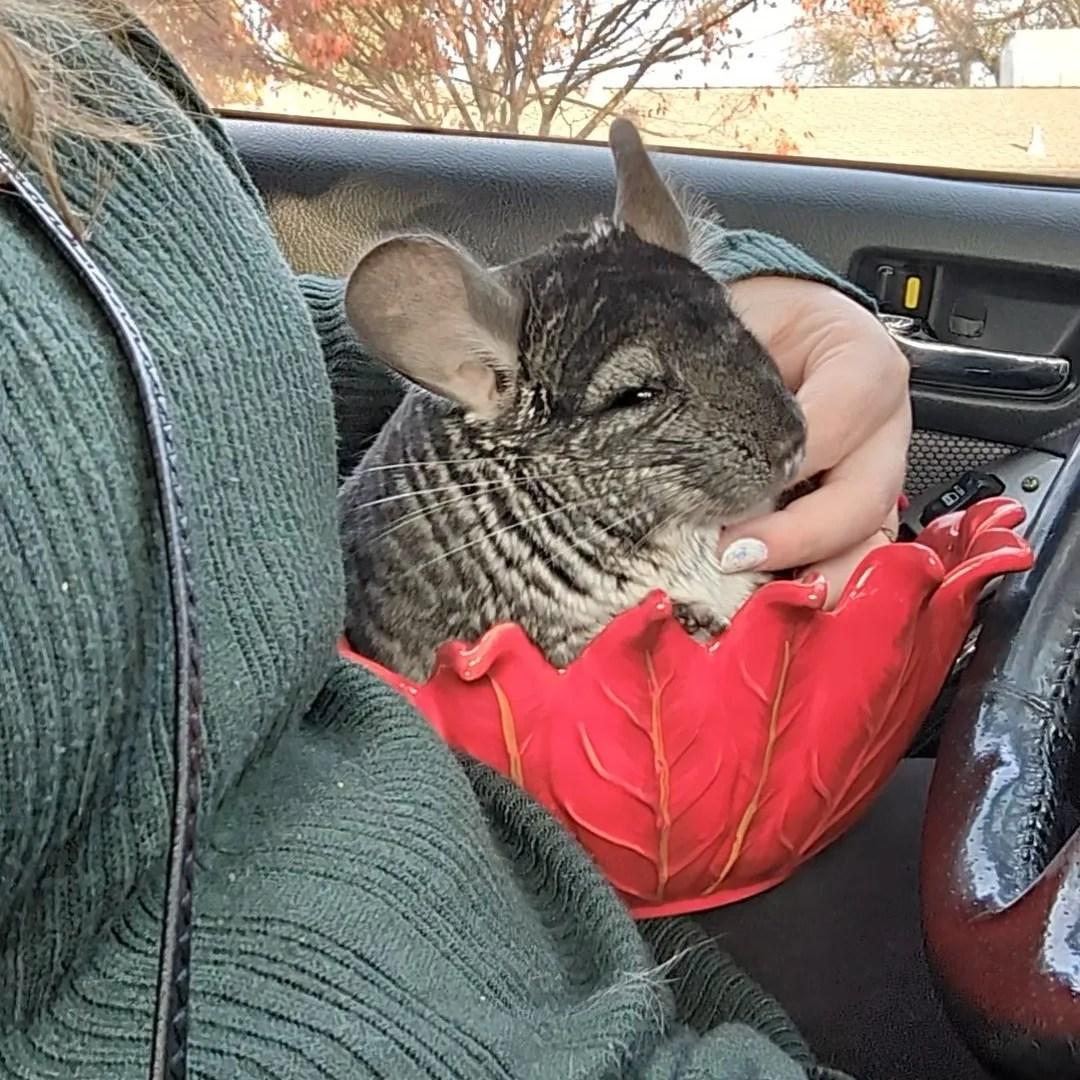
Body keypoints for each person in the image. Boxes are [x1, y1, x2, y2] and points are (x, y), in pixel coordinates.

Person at [0, 3, 910, 1079]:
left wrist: (713, 292)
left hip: (533, 884)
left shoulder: (70, 52)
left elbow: (201, 362)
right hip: (341, 983)